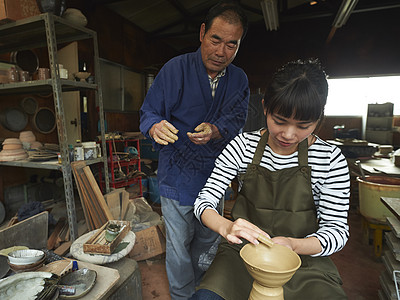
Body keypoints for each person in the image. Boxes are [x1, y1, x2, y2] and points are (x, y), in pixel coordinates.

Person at [192, 58, 350, 299]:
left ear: (319, 118)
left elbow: (337, 232)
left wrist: (294, 245)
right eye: (279, 121)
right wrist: (227, 227)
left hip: (303, 261)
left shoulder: (331, 159)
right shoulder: (242, 146)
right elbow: (203, 203)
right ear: (265, 107)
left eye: (303, 125)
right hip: (242, 255)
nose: (288, 134)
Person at [139, 1, 250, 298]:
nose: (221, 51)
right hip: (176, 174)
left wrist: (216, 130)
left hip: (216, 176)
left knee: (207, 239)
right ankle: (182, 295)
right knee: (177, 245)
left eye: (231, 44)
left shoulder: (239, 79)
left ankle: (203, 286)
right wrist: (155, 126)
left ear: (239, 45)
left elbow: (237, 118)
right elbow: (148, 111)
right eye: (215, 39)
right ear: (202, 33)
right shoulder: (174, 69)